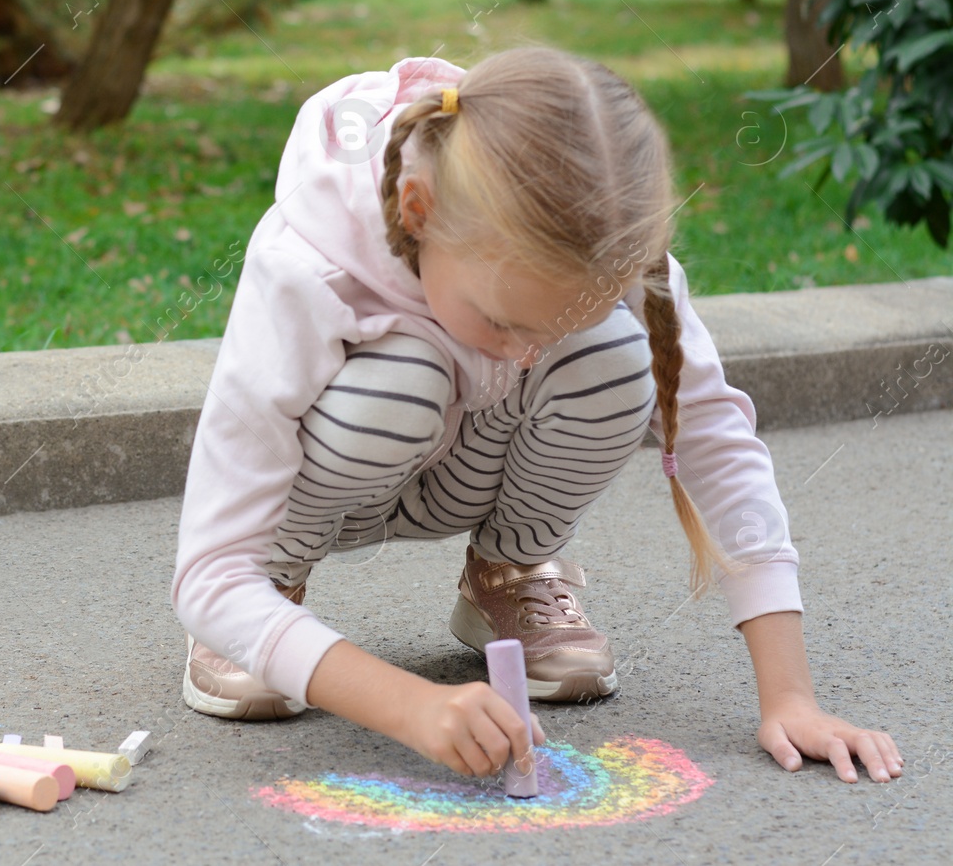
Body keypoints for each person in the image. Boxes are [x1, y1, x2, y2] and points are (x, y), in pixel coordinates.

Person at [169, 48, 902, 784]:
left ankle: (509, 569)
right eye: (505, 322)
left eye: (549, 330)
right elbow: (207, 575)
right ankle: (278, 585)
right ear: (416, 210)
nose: (528, 359)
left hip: (469, 468)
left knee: (616, 354)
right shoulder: (308, 260)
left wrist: (791, 696)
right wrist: (410, 704)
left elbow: (715, 437)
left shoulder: (605, 241)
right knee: (404, 374)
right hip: (337, 475)